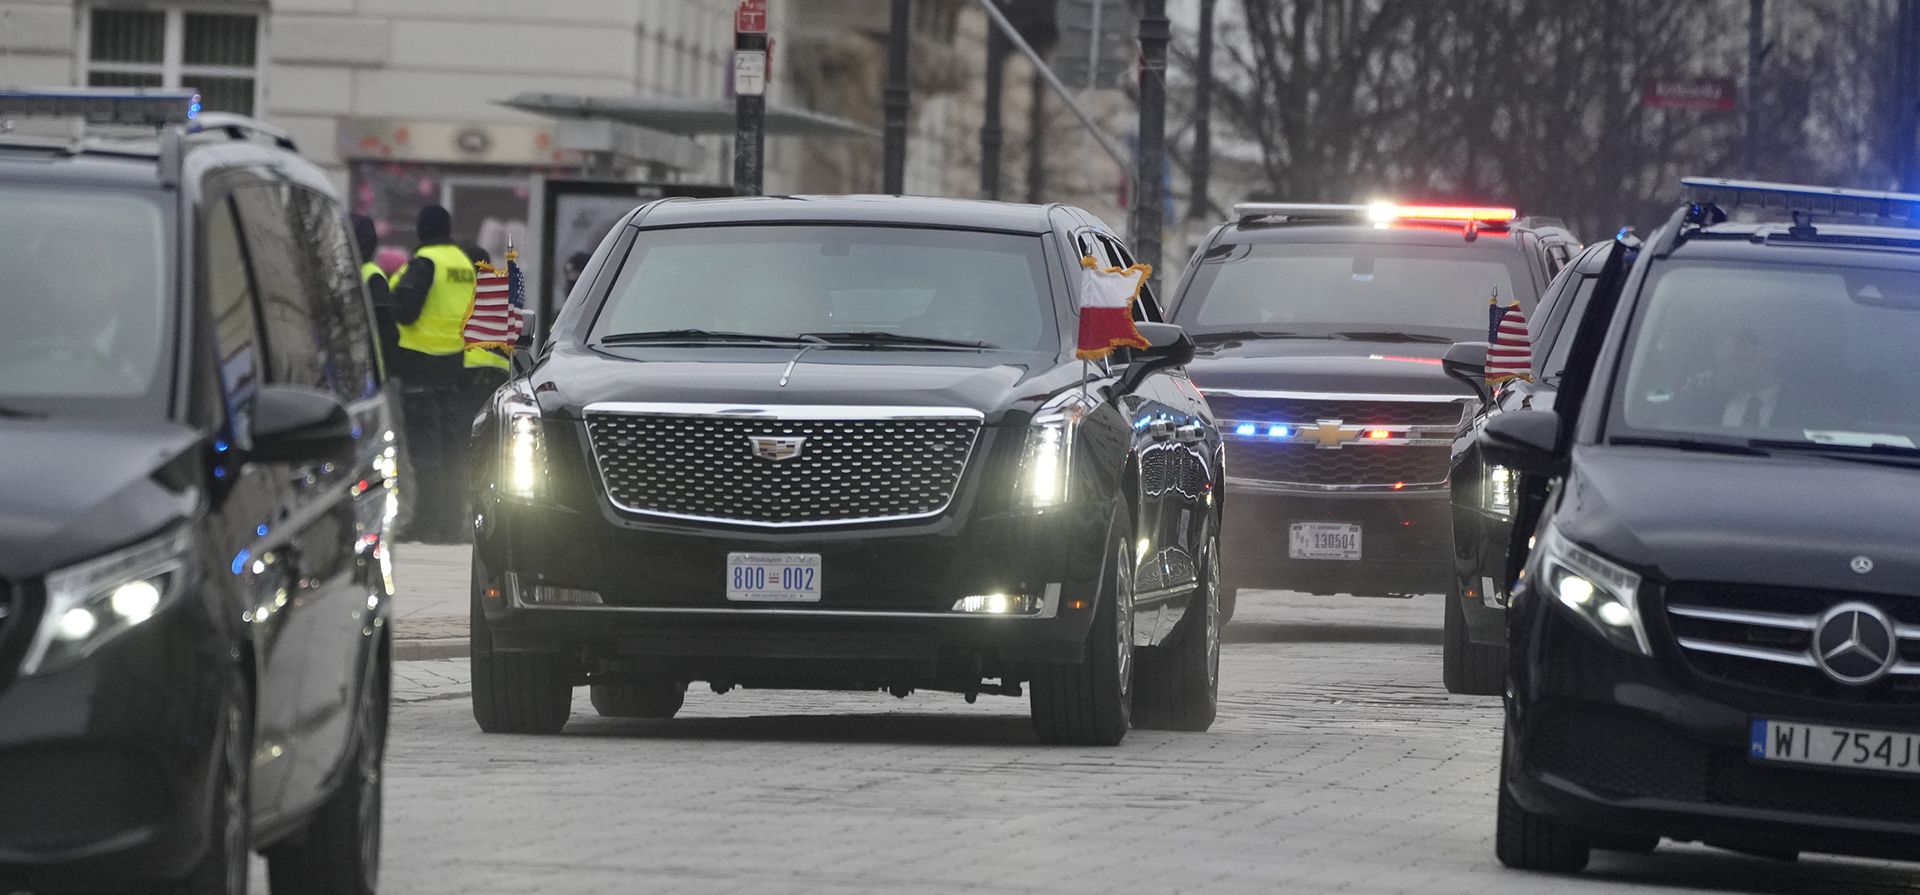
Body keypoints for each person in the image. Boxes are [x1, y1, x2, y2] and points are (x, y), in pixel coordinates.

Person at [389, 205, 477, 542]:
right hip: (451, 367)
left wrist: (391, 300)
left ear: (422, 229)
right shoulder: (462, 264)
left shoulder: (425, 262)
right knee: (450, 450)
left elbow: (407, 312)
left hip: (419, 367)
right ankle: (452, 523)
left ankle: (426, 524)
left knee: (425, 453)